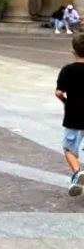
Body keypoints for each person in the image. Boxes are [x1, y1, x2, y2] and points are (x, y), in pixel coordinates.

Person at [56, 33, 84, 196]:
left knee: (69, 149)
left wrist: (66, 102)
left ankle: (77, 173)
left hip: (73, 116)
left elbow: (59, 93)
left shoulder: (67, 70)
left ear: (73, 51)